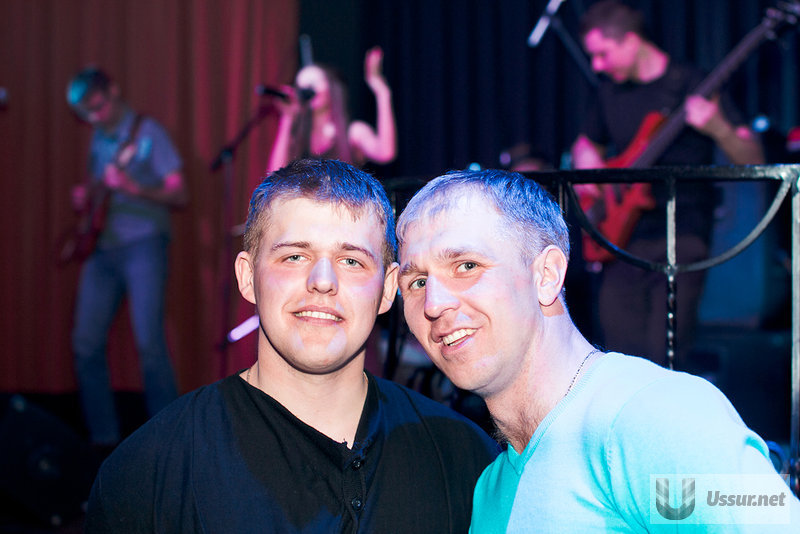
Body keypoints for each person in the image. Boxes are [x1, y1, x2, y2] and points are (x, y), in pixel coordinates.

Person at [85, 159, 498, 533]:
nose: (323, 281)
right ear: (248, 277)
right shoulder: (149, 473)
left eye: (351, 261)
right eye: (294, 257)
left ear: (389, 289)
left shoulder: (463, 459)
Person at [396, 168, 799, 532]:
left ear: (546, 275)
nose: (433, 304)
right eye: (417, 282)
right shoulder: (490, 486)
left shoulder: (651, 417)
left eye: (467, 266)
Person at [570, 0, 765, 368]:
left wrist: (718, 128)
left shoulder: (693, 83)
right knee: (618, 356)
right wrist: (585, 157)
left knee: (666, 356)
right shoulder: (609, 92)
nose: (597, 65)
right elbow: (585, 142)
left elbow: (752, 158)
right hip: (622, 240)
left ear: (631, 41)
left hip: (682, 234)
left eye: (602, 54)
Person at [66, 67, 187, 454]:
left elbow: (179, 193)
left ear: (113, 91)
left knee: (149, 344)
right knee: (85, 344)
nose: (95, 116)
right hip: (104, 248)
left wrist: (134, 188)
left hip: (143, 245)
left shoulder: (148, 133)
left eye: (98, 106)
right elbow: (98, 187)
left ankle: (168, 443)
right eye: (87, 112)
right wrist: (86, 196)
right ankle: (103, 440)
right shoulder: (99, 139)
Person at [266, 46, 396, 172]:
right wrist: (288, 118)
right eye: (302, 86)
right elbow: (274, 174)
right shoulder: (299, 138)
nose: (308, 89)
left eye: (313, 82)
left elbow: (385, 153)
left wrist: (382, 92)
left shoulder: (353, 132)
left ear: (331, 87)